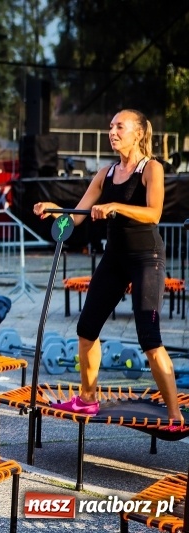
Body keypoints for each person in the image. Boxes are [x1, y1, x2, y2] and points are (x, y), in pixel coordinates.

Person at [33, 109, 183, 425]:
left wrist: (116, 206)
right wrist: (54, 210)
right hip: (115, 259)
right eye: (110, 126)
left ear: (138, 133)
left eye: (119, 127)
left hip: (147, 259)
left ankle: (174, 415)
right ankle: (87, 399)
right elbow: (76, 216)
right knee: (86, 330)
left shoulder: (151, 168)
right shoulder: (105, 173)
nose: (112, 132)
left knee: (150, 339)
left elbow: (154, 214)